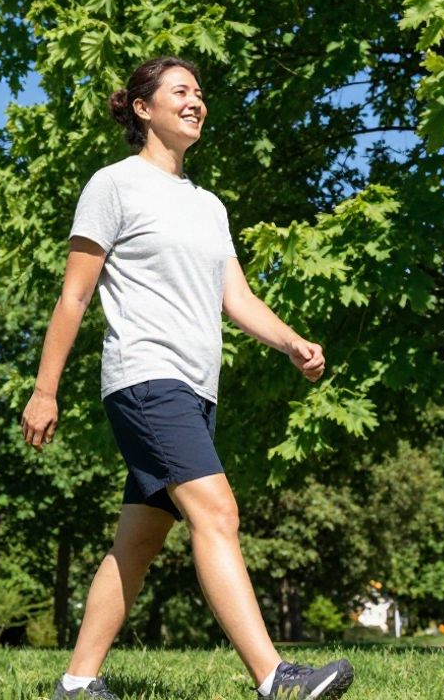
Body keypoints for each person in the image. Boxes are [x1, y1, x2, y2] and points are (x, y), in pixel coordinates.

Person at [22, 56, 355, 700]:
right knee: (218, 512)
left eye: (200, 93)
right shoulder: (112, 186)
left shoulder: (208, 206)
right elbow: (74, 297)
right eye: (181, 91)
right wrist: (45, 388)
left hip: (196, 389)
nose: (196, 101)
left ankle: (76, 684)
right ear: (144, 109)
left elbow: (237, 297)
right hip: (146, 378)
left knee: (138, 544)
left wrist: (290, 341)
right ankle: (275, 678)